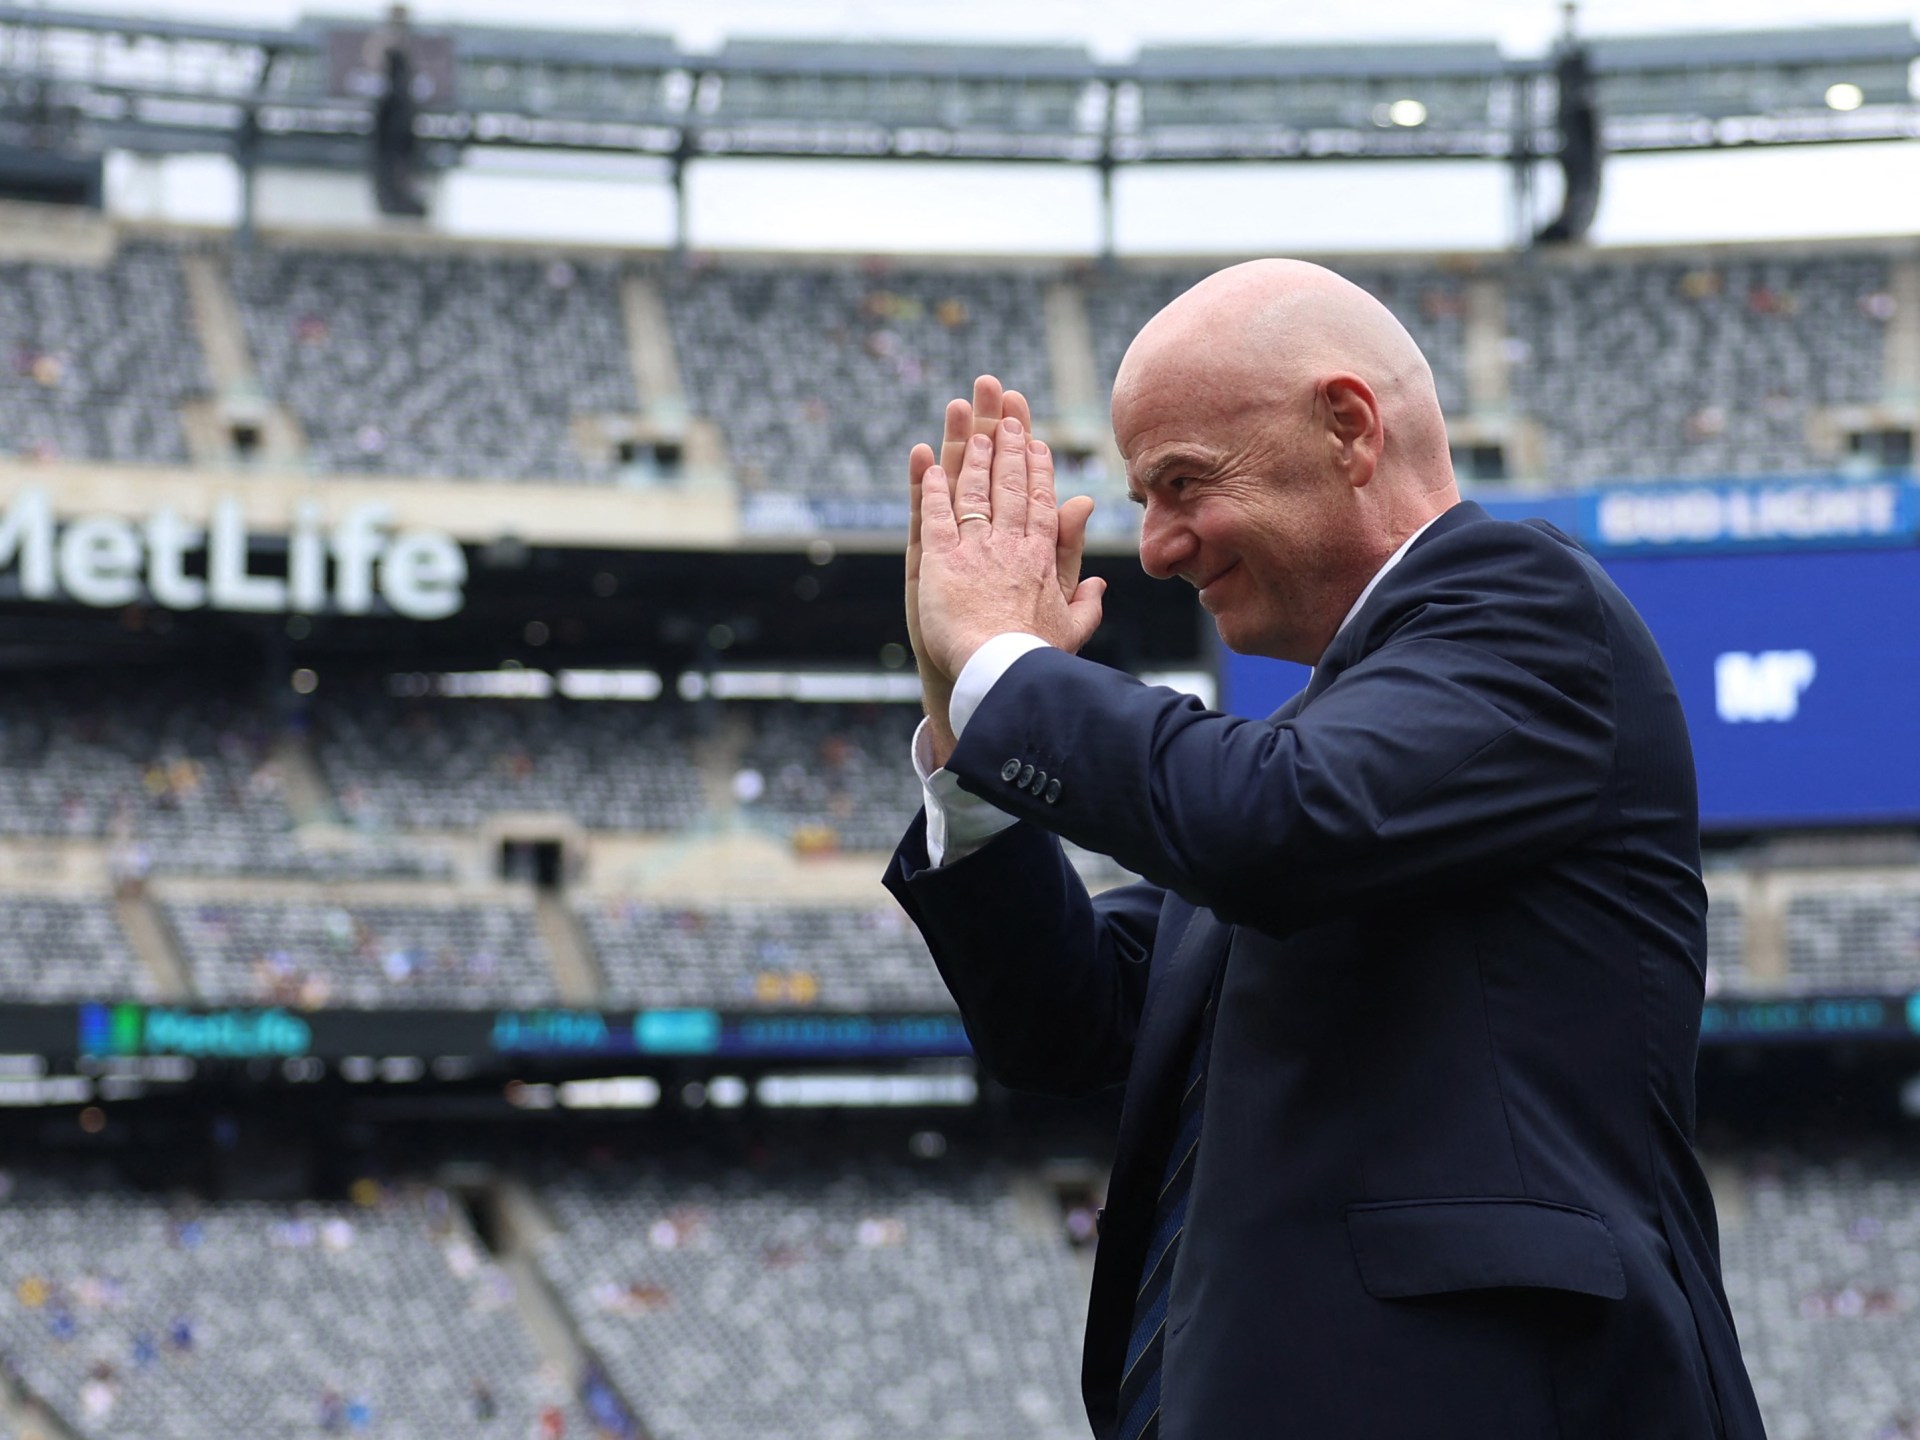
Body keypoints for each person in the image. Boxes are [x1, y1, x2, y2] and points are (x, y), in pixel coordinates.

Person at [885, 259, 1766, 1440]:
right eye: (1143, 499)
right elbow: (1070, 1022)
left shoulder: (1524, 606)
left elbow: (1268, 826)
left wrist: (1007, 667)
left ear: (1349, 428)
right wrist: (965, 737)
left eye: (1183, 482)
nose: (1157, 548)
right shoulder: (1313, 755)